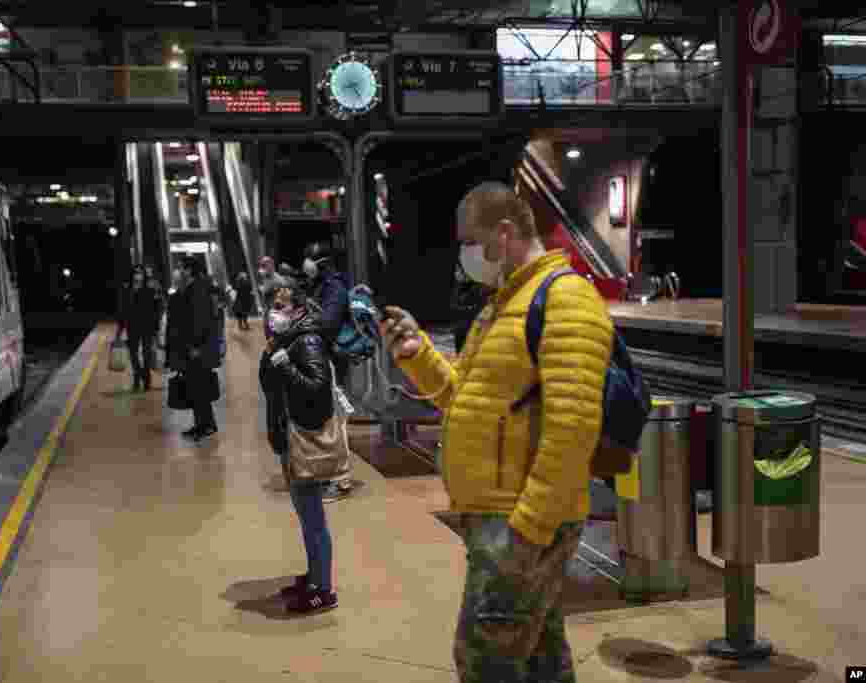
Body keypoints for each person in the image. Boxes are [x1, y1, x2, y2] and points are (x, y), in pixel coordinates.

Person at [379, 182, 614, 683]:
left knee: (486, 658)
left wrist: (527, 531)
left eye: (470, 240)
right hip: (495, 514)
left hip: (521, 520)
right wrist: (416, 354)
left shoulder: (566, 299)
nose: (465, 254)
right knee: (540, 655)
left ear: (504, 233)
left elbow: (573, 432)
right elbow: (463, 397)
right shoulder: (502, 303)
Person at [258, 287, 339, 614]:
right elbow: (270, 384)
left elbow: (317, 389)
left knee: (313, 518)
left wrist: (285, 366)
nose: (273, 313)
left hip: (302, 439)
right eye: (272, 307)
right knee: (307, 517)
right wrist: (274, 353)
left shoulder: (306, 341)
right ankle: (314, 576)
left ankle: (324, 589)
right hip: (289, 438)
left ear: (299, 310)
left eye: (281, 307)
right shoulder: (287, 339)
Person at [301, 242, 353, 502]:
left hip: (333, 361)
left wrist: (302, 323)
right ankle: (332, 474)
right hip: (321, 359)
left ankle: (341, 481)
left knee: (337, 421)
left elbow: (328, 323)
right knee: (328, 419)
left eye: (309, 259)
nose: (305, 264)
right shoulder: (321, 286)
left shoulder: (335, 288)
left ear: (321, 262)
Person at [166, 256, 219, 441]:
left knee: (200, 388)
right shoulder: (189, 289)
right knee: (195, 388)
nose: (178, 271)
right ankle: (201, 424)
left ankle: (207, 426)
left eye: (181, 268)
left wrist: (196, 346)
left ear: (189, 270)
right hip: (190, 348)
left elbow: (200, 320)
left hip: (197, 349)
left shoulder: (198, 290)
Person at [115, 266, 161, 392]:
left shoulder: (149, 290)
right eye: (135, 273)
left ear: (143, 275)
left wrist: (156, 328)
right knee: (133, 355)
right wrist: (119, 330)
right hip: (131, 326)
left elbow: (155, 310)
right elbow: (122, 310)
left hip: (147, 326)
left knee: (146, 355)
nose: (137, 276)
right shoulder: (127, 290)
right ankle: (140, 375)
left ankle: (145, 379)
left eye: (140, 273)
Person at [257, 256, 293, 336]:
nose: (261, 268)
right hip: (269, 312)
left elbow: (285, 300)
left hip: (277, 315)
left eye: (264, 265)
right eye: (261, 265)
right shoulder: (266, 278)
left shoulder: (279, 280)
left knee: (274, 338)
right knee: (269, 336)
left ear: (271, 266)